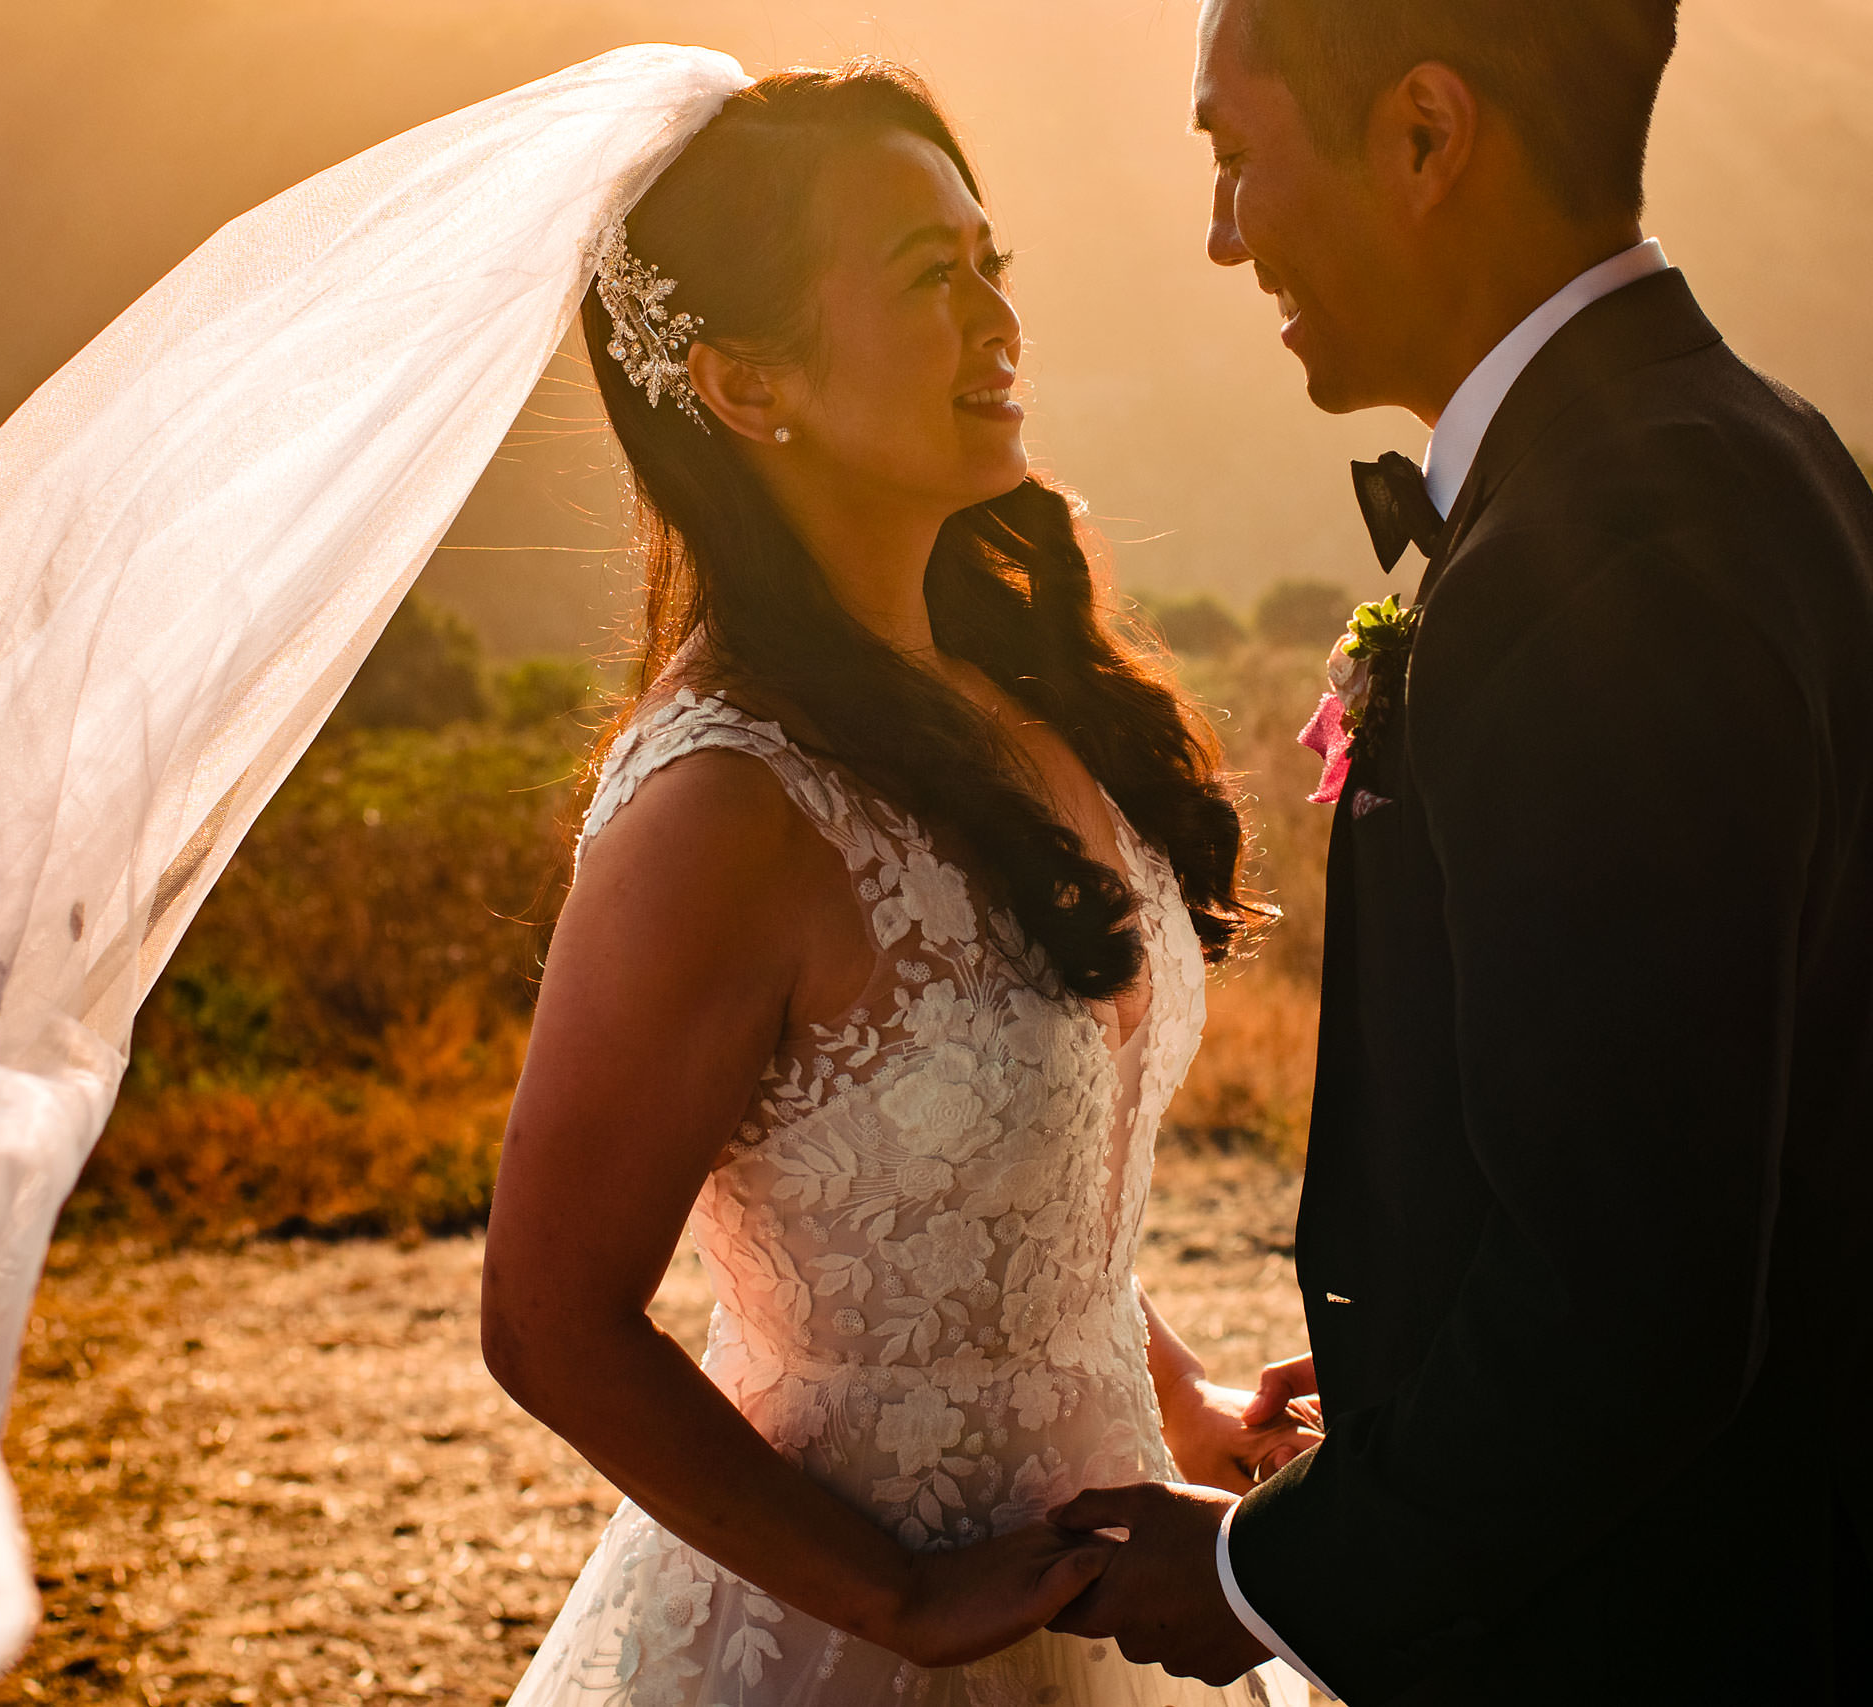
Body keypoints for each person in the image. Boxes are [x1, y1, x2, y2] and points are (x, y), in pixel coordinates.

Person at [1049, 2, 1873, 1701]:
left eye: (1235, 154)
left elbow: (1633, 1286)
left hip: (1656, 1621)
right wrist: (1414, 1384)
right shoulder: (1757, 450)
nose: (1222, 236)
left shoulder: (1610, 557)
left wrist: (1263, 1572)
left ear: (1426, 135)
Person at [479, 66, 1316, 1706]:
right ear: (740, 382)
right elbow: (547, 1317)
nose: (997, 320)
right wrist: (895, 1593)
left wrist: (1187, 1405)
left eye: (991, 262)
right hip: (845, 1640)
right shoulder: (722, 804)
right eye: (932, 279)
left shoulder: (1014, 702)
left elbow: (995, 1217)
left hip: (1100, 1582)